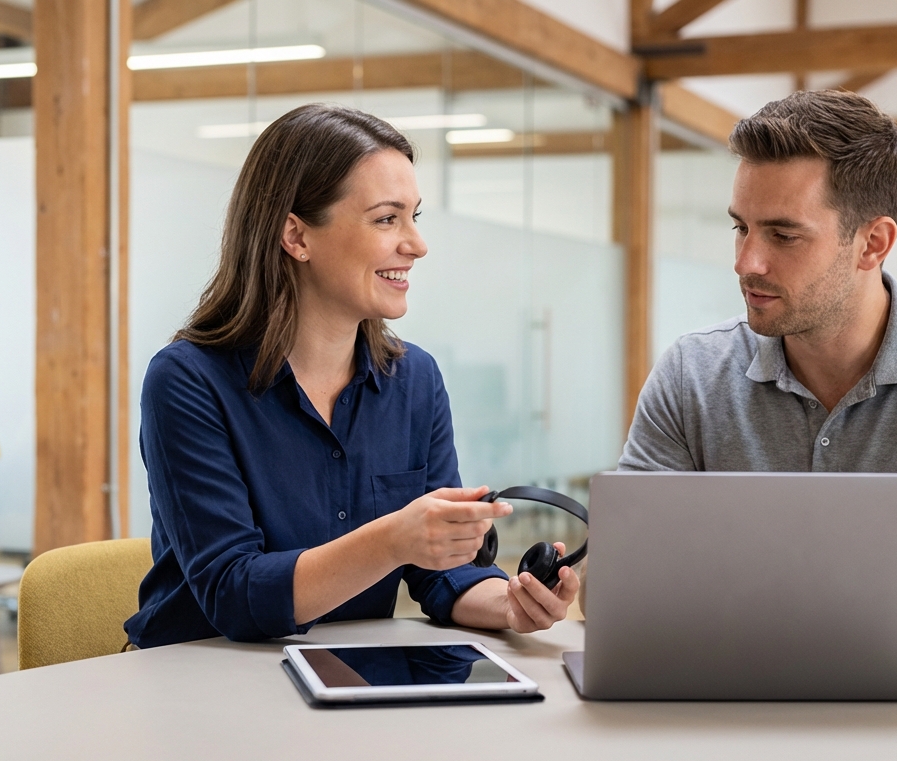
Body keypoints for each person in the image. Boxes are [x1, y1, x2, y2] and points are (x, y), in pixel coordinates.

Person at [619, 90, 897, 656]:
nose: (746, 262)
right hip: (726, 712)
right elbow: (620, 584)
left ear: (873, 243)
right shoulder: (692, 373)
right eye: (741, 227)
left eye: (783, 235)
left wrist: (789, 616)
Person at [124, 104, 579, 648]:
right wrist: (393, 539)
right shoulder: (187, 382)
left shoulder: (416, 381)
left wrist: (508, 603)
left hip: (350, 683)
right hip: (200, 684)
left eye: (415, 216)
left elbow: (443, 576)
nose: (416, 244)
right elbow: (235, 595)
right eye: (387, 218)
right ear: (296, 236)